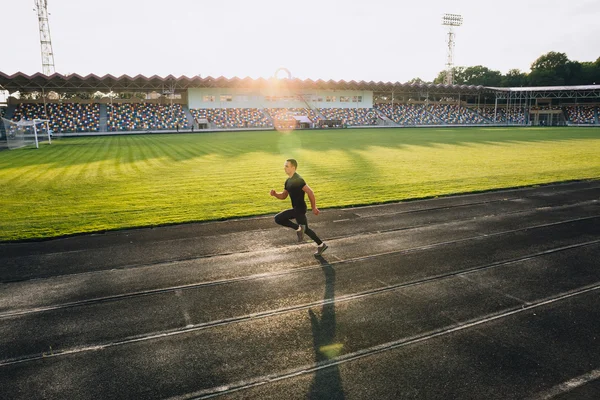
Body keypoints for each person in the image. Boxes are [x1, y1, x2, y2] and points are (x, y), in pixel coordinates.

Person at [270, 159, 328, 256]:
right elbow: (284, 195)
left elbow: (310, 192)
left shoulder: (298, 180)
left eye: (287, 166)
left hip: (300, 209)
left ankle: (298, 228)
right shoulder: (288, 181)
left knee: (278, 218)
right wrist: (275, 194)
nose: (285, 168)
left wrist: (314, 207)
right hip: (297, 210)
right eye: (285, 166)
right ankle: (321, 244)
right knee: (307, 230)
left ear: (293, 167)